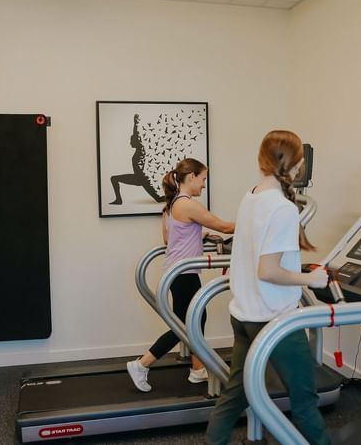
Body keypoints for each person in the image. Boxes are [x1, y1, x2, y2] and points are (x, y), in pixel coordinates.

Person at [204, 130, 331, 445]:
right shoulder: (282, 208)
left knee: (235, 395)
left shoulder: (251, 195)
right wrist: (311, 280)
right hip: (275, 319)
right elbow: (269, 271)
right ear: (297, 163)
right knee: (304, 401)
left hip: (244, 315)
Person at [127, 158, 235, 392]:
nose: (204, 184)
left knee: (195, 319)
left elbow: (169, 239)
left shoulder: (171, 205)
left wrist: (198, 235)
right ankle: (141, 364)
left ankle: (197, 369)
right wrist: (258, 223)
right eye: (203, 179)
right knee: (185, 325)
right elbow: (225, 227)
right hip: (183, 273)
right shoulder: (188, 204)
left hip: (177, 272)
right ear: (192, 177)